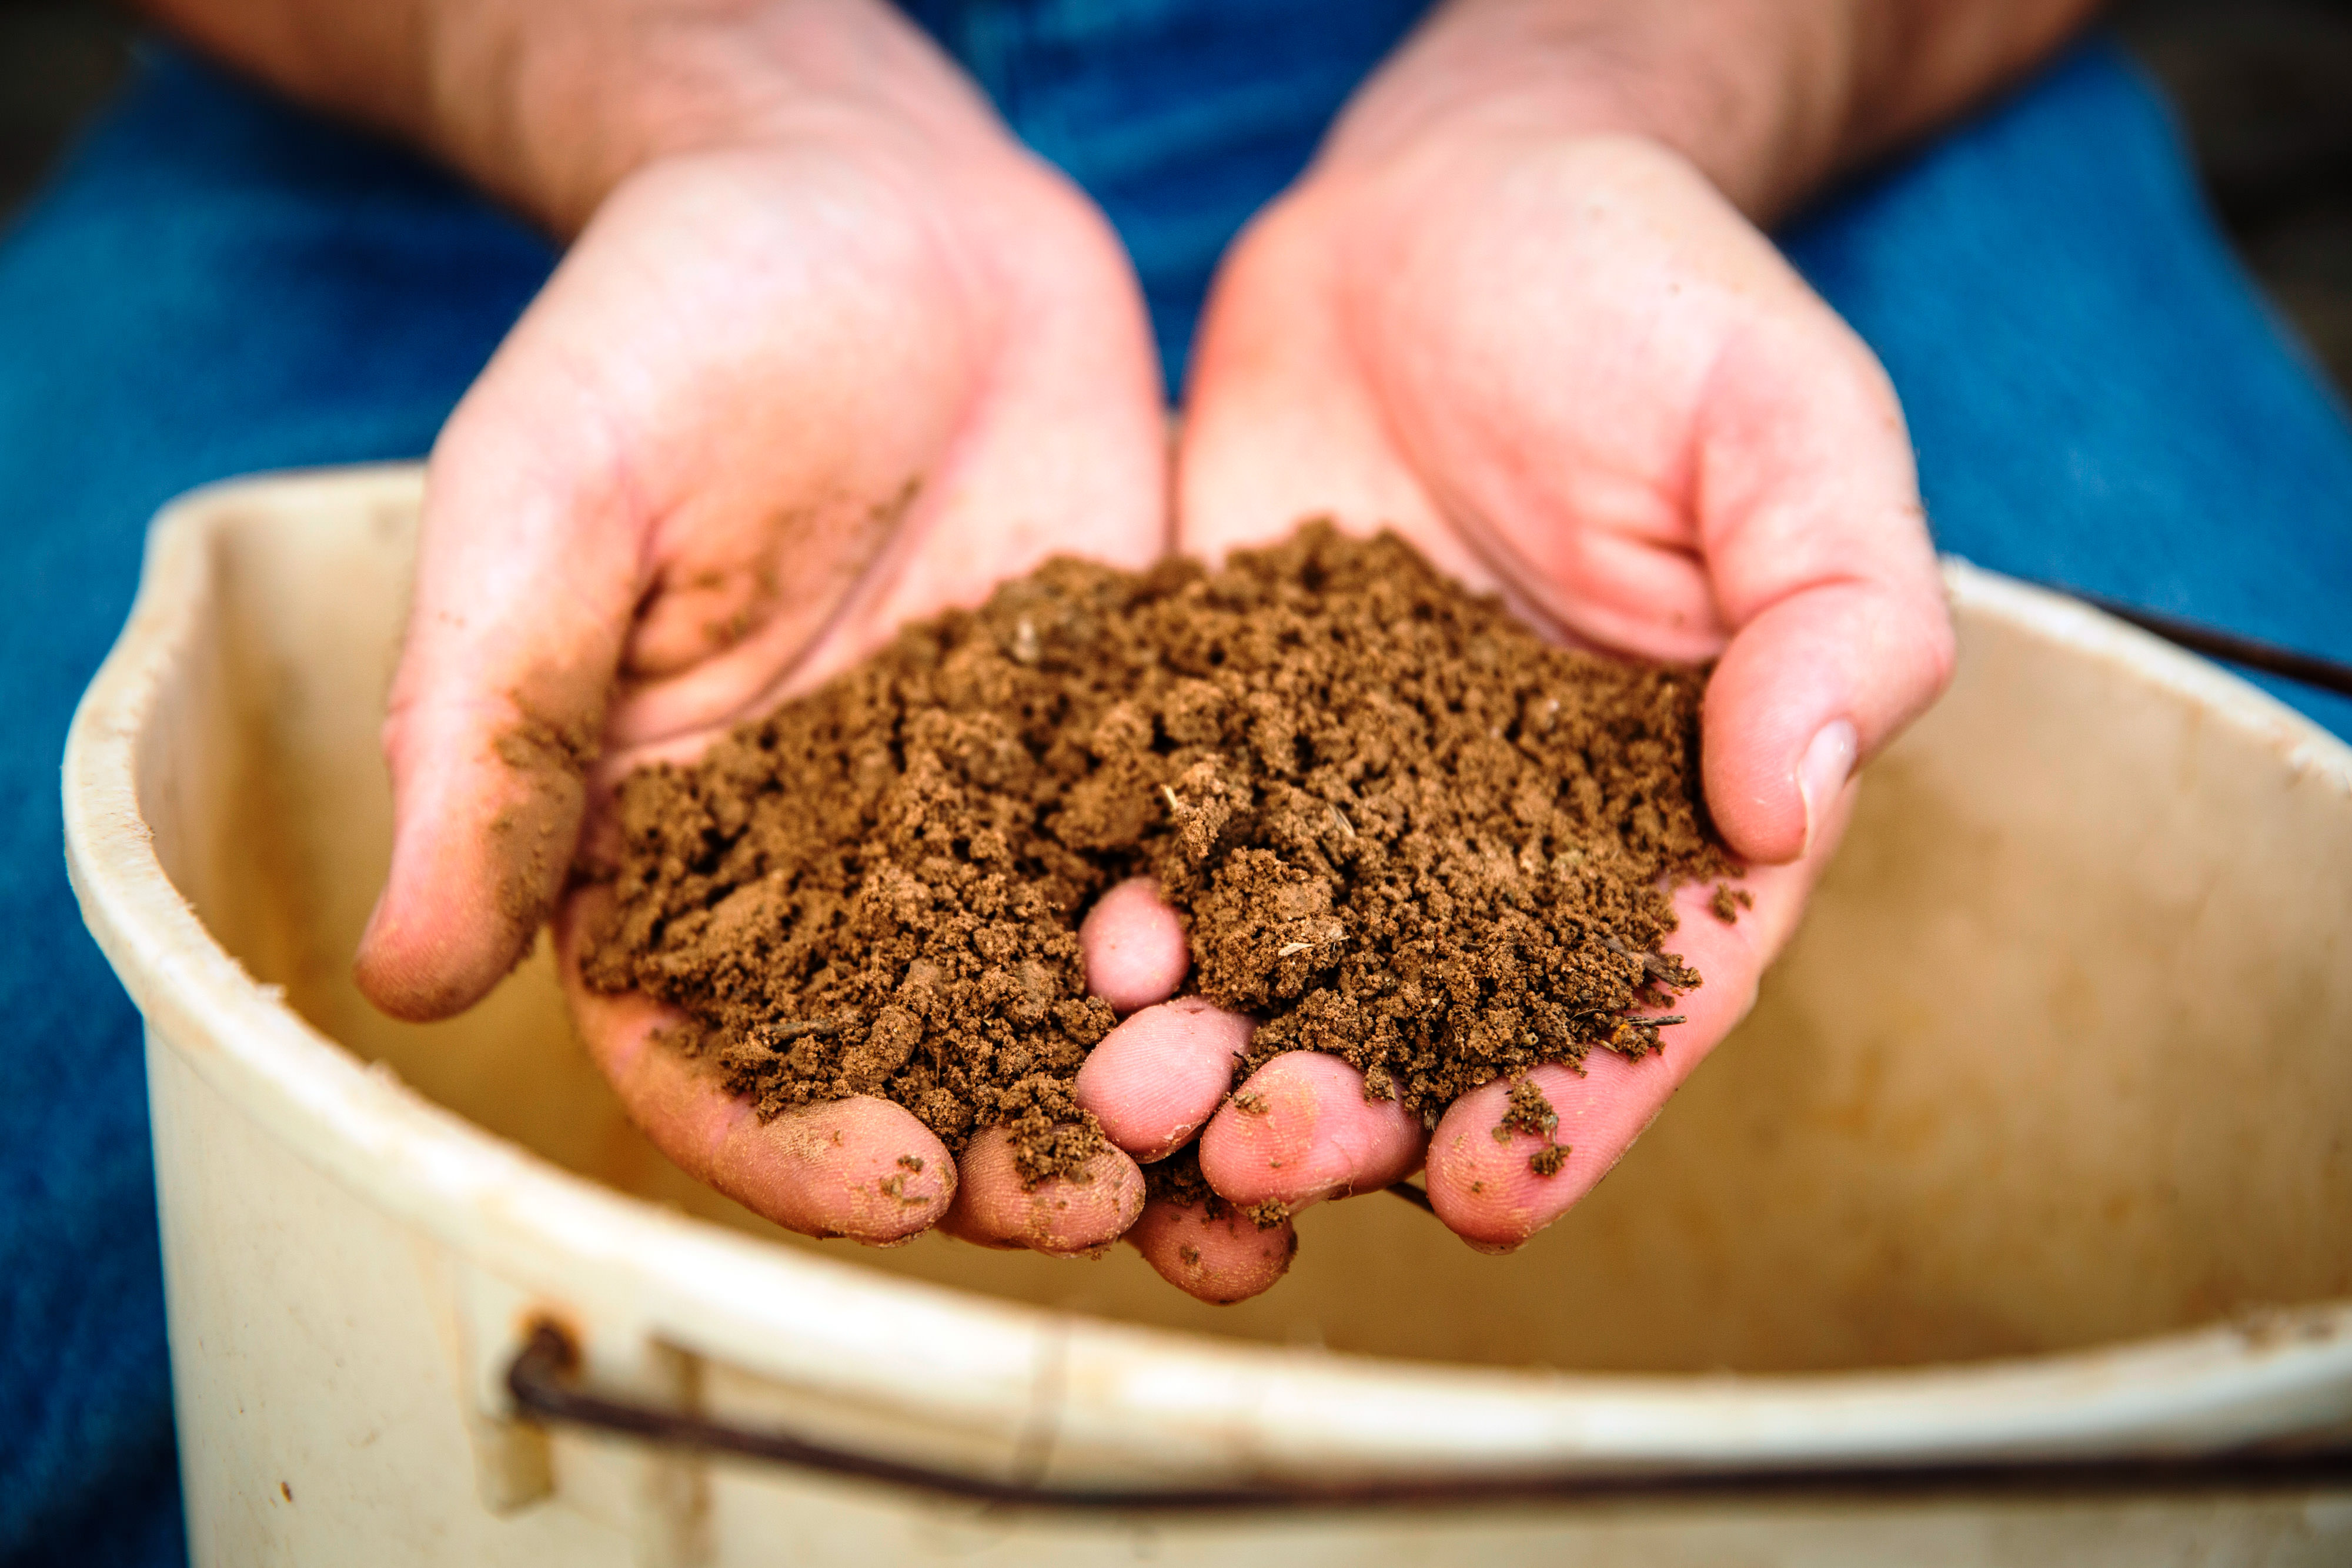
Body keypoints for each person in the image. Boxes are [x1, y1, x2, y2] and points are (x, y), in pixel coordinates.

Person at [5, 1, 2349, 1560]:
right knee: (78, 1241)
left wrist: (1591, 89)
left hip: (1736, 79)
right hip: (502, 81)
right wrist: (722, 95)